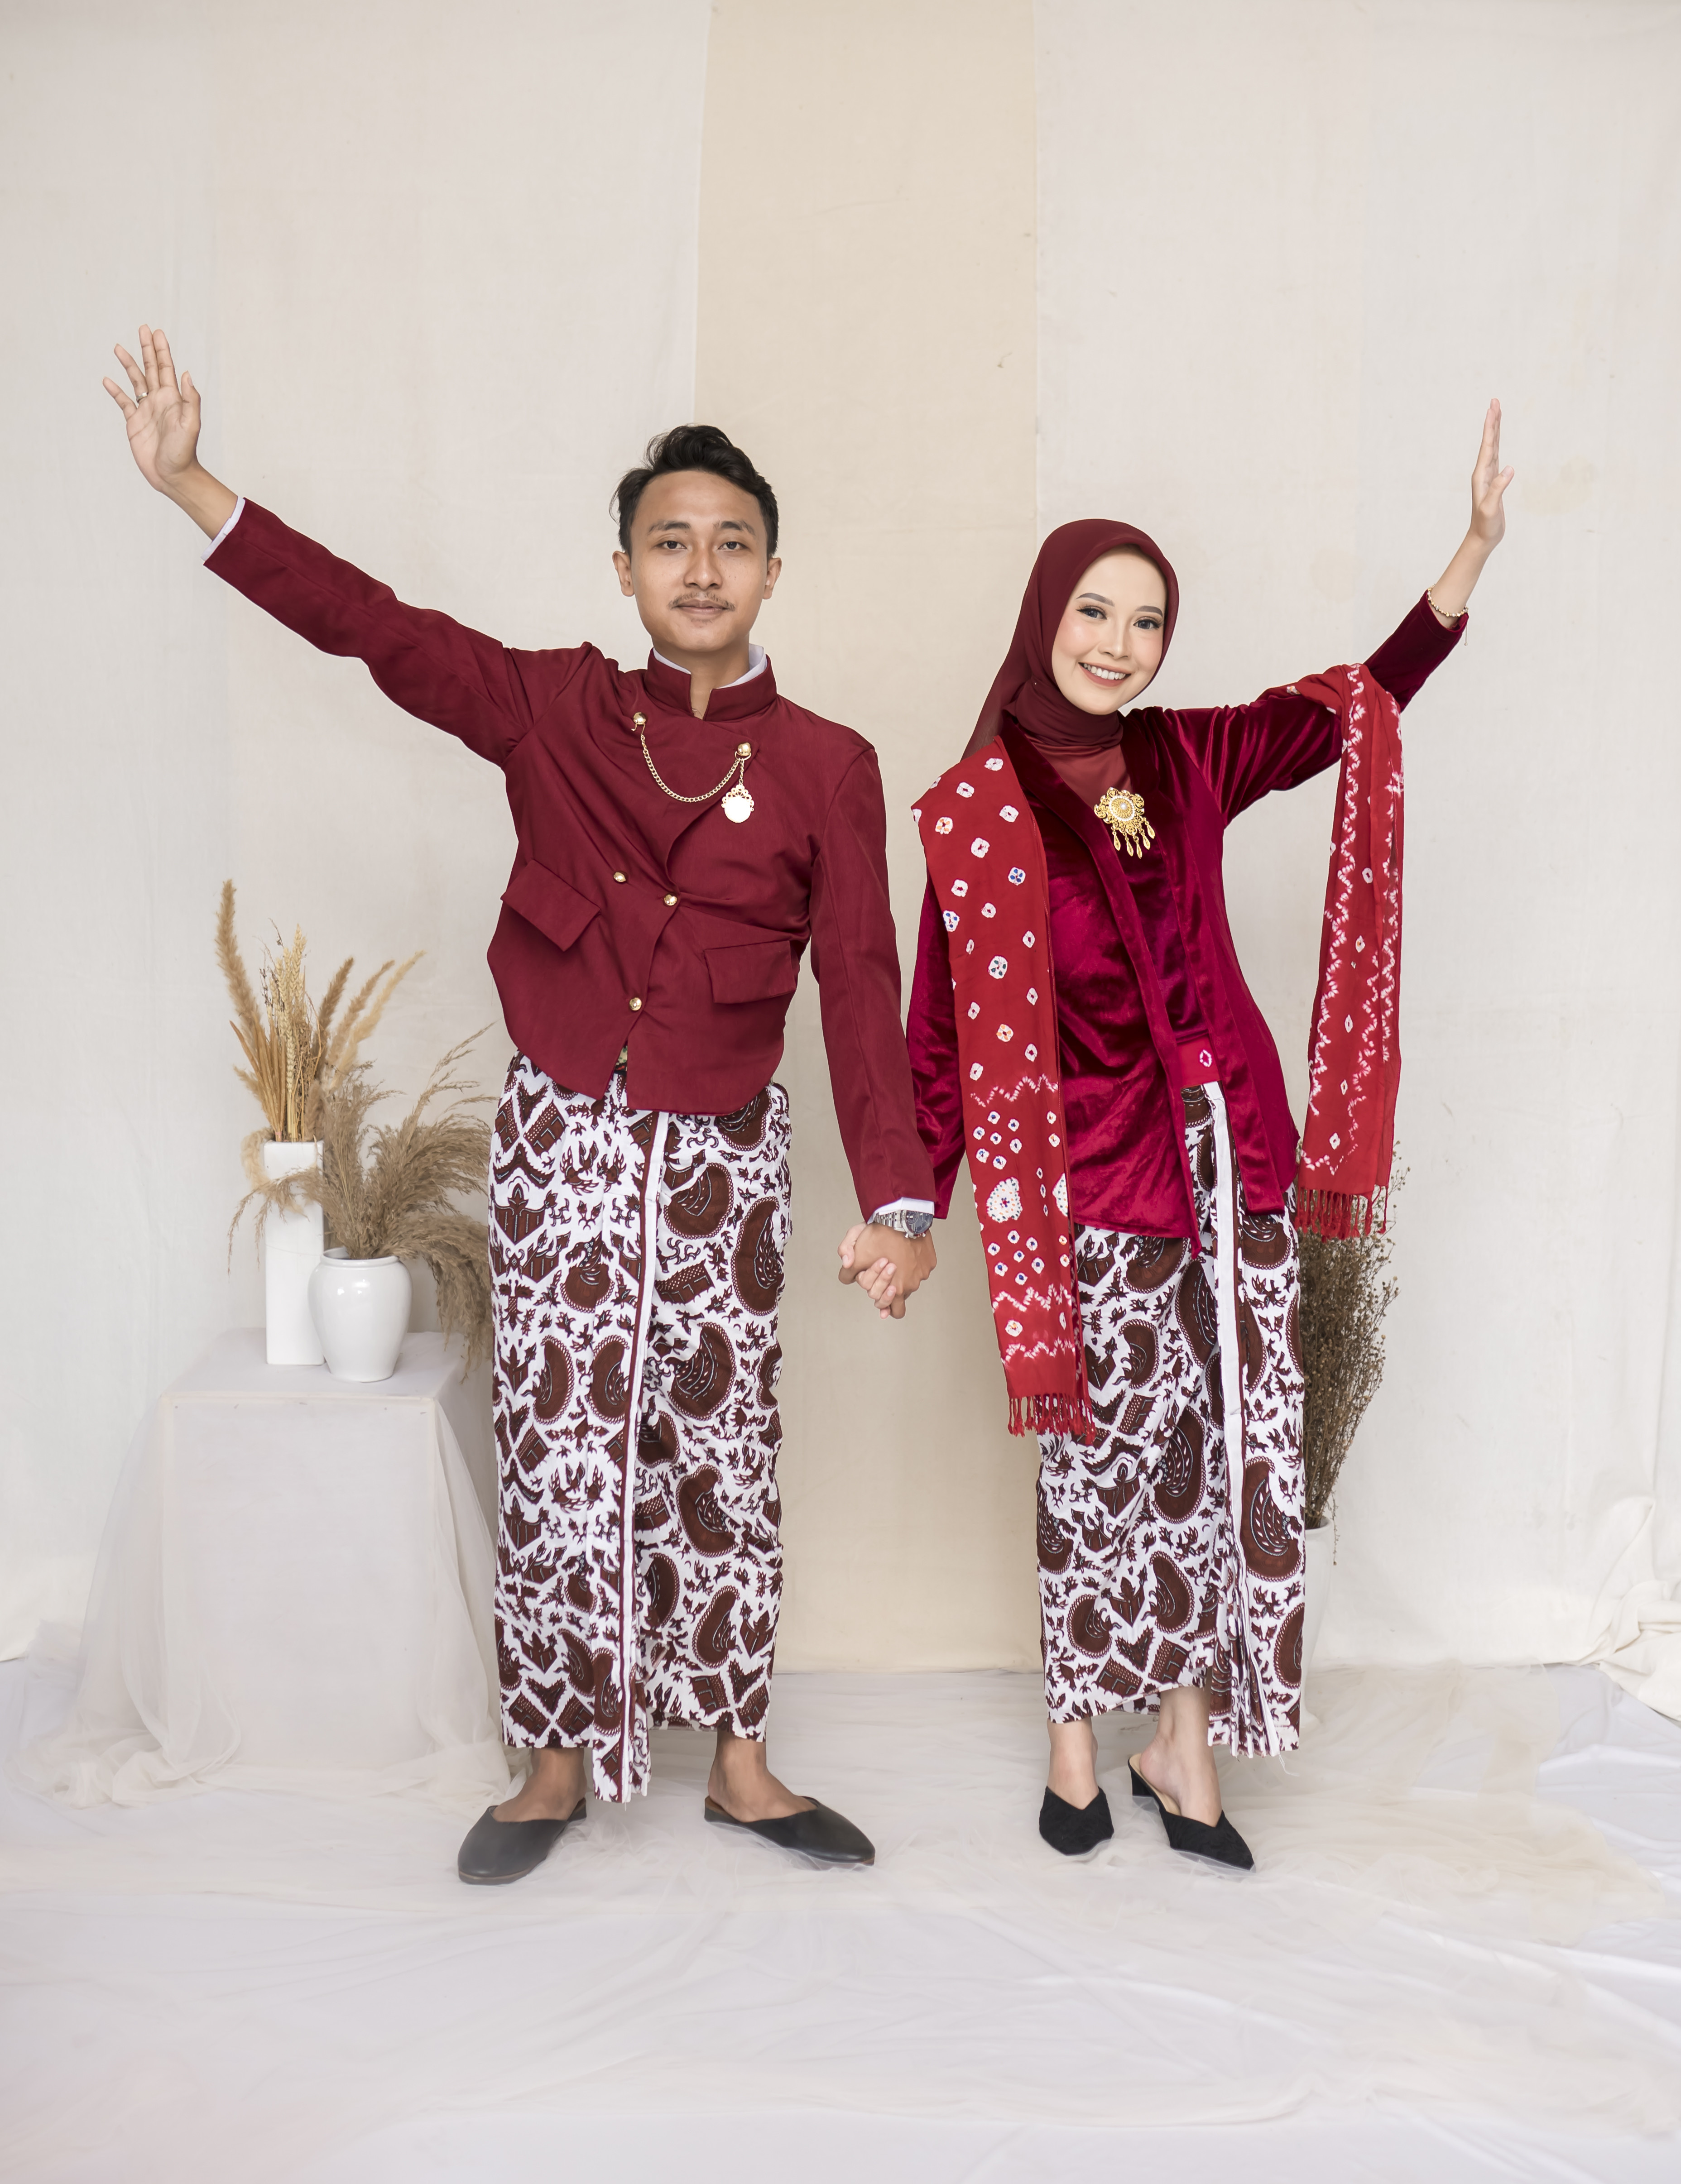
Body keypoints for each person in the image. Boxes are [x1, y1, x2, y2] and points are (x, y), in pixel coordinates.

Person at [104, 325, 939, 1882]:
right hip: (563, 1131)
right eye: (670, 542)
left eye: (733, 544)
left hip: (726, 1150)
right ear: (623, 571)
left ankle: (740, 1765)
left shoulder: (830, 764)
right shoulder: (555, 708)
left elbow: (861, 983)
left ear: (774, 574)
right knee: (555, 1443)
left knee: (724, 1452)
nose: (702, 568)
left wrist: (900, 1202)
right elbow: (376, 628)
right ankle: (552, 1764)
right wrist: (194, 486)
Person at [898, 407, 1511, 1868]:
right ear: (1045, 617)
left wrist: (1469, 559)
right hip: (1091, 1188)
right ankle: (1074, 1742)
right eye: (1094, 612)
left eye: (1147, 621)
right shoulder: (978, 817)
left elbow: (1353, 705)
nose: (1118, 644)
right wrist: (912, 1209)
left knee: (1214, 1461)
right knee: (1093, 1470)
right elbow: (938, 1037)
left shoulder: (1184, 759)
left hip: (1235, 1171)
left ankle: (1181, 1746)